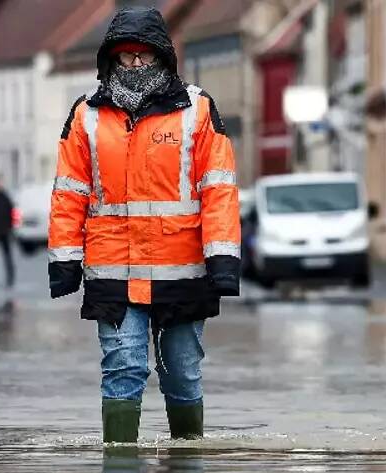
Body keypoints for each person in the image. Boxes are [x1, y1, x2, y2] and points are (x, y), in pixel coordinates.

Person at [47, 6, 241, 444]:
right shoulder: (86, 117)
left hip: (182, 272)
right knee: (122, 367)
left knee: (182, 374)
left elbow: (220, 190)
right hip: (113, 274)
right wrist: (64, 260)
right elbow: (68, 194)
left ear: (162, 58)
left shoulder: (197, 110)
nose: (135, 65)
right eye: (126, 56)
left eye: (144, 56)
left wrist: (224, 258)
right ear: (111, 60)